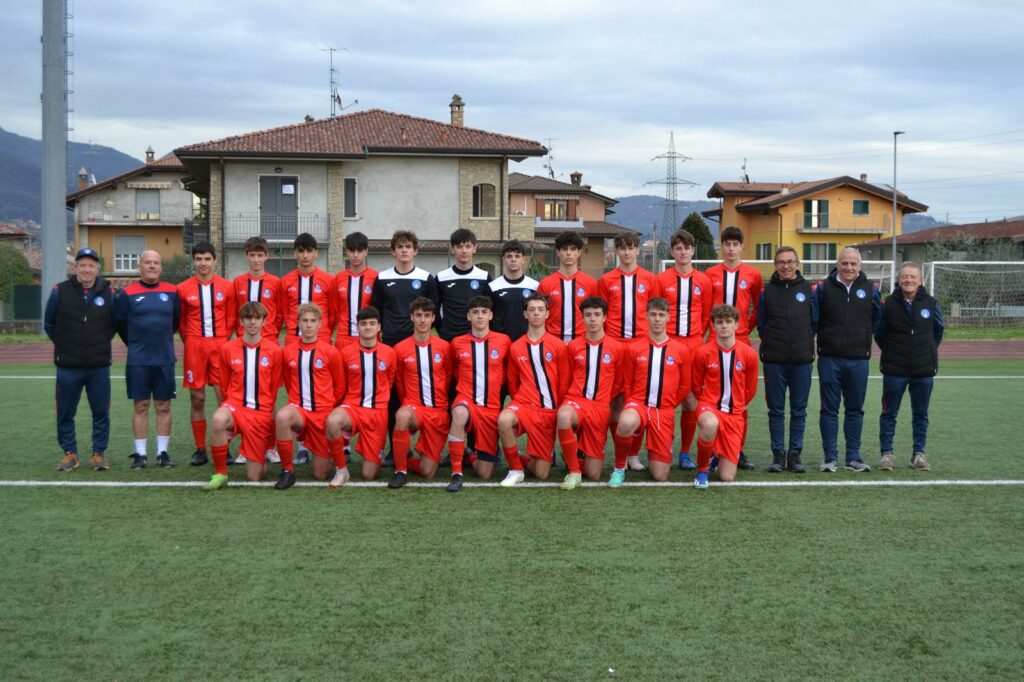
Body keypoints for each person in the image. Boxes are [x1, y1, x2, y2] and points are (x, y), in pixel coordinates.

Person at [370, 230, 439, 463]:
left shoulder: (426, 278)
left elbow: (432, 310)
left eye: (408, 246)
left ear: (415, 250)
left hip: (418, 345)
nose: (404, 250)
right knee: (392, 398)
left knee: (423, 394)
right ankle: (396, 448)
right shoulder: (382, 278)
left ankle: (427, 445)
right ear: (392, 251)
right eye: (400, 247)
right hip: (390, 345)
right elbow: (376, 311)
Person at [45, 247, 117, 472]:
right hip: (68, 365)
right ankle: (70, 454)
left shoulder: (109, 293)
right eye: (82, 265)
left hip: (98, 365)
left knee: (101, 412)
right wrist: (65, 344)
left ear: (98, 268)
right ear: (75, 268)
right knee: (66, 412)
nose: (87, 269)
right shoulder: (60, 291)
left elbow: (113, 325)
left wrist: (99, 341)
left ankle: (98, 454)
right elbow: (49, 324)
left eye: (91, 265)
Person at [815, 247, 882, 473]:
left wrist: (860, 340)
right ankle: (830, 457)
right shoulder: (823, 288)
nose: (849, 267)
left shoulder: (871, 289)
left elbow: (876, 321)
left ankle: (853, 456)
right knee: (829, 410)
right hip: (829, 358)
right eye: (845, 263)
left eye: (853, 263)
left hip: (858, 360)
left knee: (855, 409)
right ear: (838, 264)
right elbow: (815, 320)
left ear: (860, 265)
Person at [610, 298, 691, 485]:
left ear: (668, 317)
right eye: (653, 314)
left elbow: (685, 386)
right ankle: (619, 468)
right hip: (638, 404)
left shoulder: (681, 350)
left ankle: (653, 447)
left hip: (663, 411)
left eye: (661, 315)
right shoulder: (634, 348)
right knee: (626, 420)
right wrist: (632, 404)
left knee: (660, 476)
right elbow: (628, 382)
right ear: (646, 316)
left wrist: (669, 404)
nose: (657, 319)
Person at [202, 302, 282, 490]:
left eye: (257, 318)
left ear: (264, 321)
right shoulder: (227, 349)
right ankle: (221, 473)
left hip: (260, 413)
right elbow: (224, 382)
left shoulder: (274, 351)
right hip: (236, 406)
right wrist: (232, 403)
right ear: (241, 321)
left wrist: (263, 410)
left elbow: (273, 388)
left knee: (254, 476)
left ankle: (257, 451)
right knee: (218, 419)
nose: (252, 322)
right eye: (248, 318)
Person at [600, 230, 660, 471]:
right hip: (614, 346)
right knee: (613, 401)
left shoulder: (650, 279)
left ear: (638, 250)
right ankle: (618, 453)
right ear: (617, 251)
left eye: (631, 248)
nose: (626, 252)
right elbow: (602, 314)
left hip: (640, 346)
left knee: (638, 399)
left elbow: (655, 313)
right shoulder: (606, 280)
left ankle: (633, 454)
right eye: (622, 248)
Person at [875, 262, 944, 472]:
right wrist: (894, 351)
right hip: (894, 369)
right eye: (905, 277)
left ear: (920, 280)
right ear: (898, 280)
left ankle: (918, 454)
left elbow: (937, 332)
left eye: (913, 277)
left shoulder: (932, 303)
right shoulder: (887, 304)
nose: (909, 280)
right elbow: (879, 333)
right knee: (889, 413)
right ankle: (887, 454)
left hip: (923, 370)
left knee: (920, 414)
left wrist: (926, 351)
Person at [115, 250, 180, 469]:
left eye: (156, 262)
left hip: (164, 358)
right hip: (139, 359)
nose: (152, 266)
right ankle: (140, 454)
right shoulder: (127, 293)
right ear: (139, 266)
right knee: (141, 405)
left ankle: (162, 453)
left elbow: (175, 322)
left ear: (161, 267)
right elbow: (120, 324)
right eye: (147, 263)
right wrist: (135, 343)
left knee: (163, 406)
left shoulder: (172, 292)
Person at [497, 293, 570, 486]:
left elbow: (564, 382)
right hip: (524, 405)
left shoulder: (558, 346)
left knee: (541, 473)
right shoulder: (516, 347)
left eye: (540, 310)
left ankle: (521, 457)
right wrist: (519, 403)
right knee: (504, 419)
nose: (536, 313)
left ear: (547, 314)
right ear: (525, 314)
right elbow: (513, 383)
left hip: (547, 412)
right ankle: (515, 469)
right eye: (531, 310)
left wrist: (557, 410)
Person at [756, 246, 818, 474]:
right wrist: (773, 343)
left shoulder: (809, 290)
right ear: (775, 265)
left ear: (797, 264)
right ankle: (777, 455)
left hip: (802, 360)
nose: (786, 266)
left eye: (790, 261)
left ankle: (794, 455)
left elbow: (815, 322)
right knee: (776, 410)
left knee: (799, 410)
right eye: (781, 262)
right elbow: (761, 324)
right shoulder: (767, 291)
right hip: (774, 360)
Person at [705, 225, 762, 471]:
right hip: (713, 341)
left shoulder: (753, 274)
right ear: (721, 247)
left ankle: (737, 449)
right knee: (713, 397)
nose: (730, 249)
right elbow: (705, 306)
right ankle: (713, 451)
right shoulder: (710, 273)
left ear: (741, 247)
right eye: (726, 244)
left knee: (740, 401)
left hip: (741, 341)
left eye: (734, 244)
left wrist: (746, 330)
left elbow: (759, 307)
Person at [556, 296, 628, 490]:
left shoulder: (617, 348)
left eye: (597, 315)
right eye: (588, 315)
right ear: (582, 318)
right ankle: (573, 472)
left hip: (600, 407)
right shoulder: (573, 346)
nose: (593, 319)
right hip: (576, 401)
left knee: (594, 474)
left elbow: (619, 381)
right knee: (563, 416)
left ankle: (573, 454)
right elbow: (566, 378)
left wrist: (605, 401)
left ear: (605, 317)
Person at [656, 229, 712, 471]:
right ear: (672, 252)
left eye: (687, 248)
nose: (683, 252)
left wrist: (699, 341)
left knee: (690, 401)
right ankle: (664, 445)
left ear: (692, 251)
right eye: (678, 248)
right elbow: (655, 312)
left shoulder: (704, 281)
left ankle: (685, 452)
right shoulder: (661, 280)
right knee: (666, 398)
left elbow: (707, 313)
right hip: (669, 344)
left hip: (694, 344)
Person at [177, 241, 237, 467]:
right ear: (193, 261)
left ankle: (225, 448)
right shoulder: (183, 288)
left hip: (220, 346)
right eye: (199, 259)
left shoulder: (226, 287)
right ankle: (200, 449)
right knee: (197, 398)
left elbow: (231, 318)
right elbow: (181, 322)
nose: (203, 263)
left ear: (215, 260)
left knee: (224, 398)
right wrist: (192, 342)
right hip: (195, 347)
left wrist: (223, 341)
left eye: (207, 259)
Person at [444, 295, 512, 492]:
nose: (479, 316)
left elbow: (508, 372)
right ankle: (456, 473)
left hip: (490, 407)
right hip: (466, 400)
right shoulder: (457, 343)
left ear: (491, 315)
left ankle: (469, 455)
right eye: (475, 312)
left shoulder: (504, 341)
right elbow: (453, 372)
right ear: (468, 316)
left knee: (485, 472)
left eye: (484, 312)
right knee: (458, 413)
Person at [276, 303, 346, 489]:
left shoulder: (330, 352)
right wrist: (296, 402)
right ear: (298, 323)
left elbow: (340, 387)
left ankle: (329, 454)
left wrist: (327, 407)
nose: (308, 325)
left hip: (322, 413)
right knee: (283, 416)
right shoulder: (288, 351)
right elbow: (289, 382)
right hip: (299, 410)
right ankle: (287, 470)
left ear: (320, 324)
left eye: (313, 321)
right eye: (305, 320)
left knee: (321, 474)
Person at [325, 307, 397, 486]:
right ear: (357, 327)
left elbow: (390, 381)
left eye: (372, 324)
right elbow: (341, 385)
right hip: (354, 408)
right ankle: (341, 471)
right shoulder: (346, 353)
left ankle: (372, 454)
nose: (368, 327)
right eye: (363, 324)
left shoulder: (389, 352)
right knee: (333, 420)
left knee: (369, 474)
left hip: (377, 413)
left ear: (379, 327)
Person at [691, 305, 760, 489]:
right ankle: (702, 471)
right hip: (709, 408)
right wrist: (707, 402)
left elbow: (751, 389)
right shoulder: (703, 353)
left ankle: (716, 455)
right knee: (711, 424)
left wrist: (737, 405)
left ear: (736, 325)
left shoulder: (749, 354)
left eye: (728, 322)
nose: (724, 326)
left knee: (727, 477)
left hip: (734, 415)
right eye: (719, 322)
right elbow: (696, 385)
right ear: (713, 326)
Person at [389, 297, 453, 487]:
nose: (423, 320)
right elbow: (399, 382)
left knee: (427, 471)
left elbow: (448, 377)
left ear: (434, 318)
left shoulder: (444, 347)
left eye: (427, 315)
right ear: (412, 318)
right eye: (418, 315)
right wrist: (409, 403)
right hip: (414, 407)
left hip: (438, 411)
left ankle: (406, 460)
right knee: (402, 415)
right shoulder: (400, 349)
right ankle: (400, 471)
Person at [537, 231, 599, 343]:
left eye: (573, 249)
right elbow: (540, 315)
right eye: (565, 249)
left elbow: (597, 314)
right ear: (558, 252)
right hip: (553, 341)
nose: (568, 253)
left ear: (579, 252)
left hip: (582, 341)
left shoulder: (591, 283)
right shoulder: (546, 284)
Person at [436, 228, 492, 343]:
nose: (464, 250)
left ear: (474, 249)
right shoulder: (441, 278)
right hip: (449, 337)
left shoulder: (484, 277)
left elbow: (490, 309)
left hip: (476, 337)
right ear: (452, 249)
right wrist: (442, 328)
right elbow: (434, 308)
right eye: (459, 247)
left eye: (467, 246)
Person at [281, 232, 334, 346]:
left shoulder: (328, 280)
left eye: (309, 251)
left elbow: (332, 314)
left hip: (321, 338)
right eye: (301, 251)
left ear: (316, 253)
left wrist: (323, 329)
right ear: (295, 254)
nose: (305, 255)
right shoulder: (286, 281)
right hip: (294, 338)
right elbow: (285, 312)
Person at [332, 231, 378, 349]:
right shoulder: (339, 278)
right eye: (352, 251)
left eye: (360, 251)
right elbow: (336, 308)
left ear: (366, 251)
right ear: (347, 251)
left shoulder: (376, 277)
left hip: (369, 337)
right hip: (344, 337)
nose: (356, 255)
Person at [233, 236, 284, 341]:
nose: (256, 260)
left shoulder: (276, 282)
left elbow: (279, 314)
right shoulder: (238, 282)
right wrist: (240, 332)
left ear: (266, 256)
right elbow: (235, 312)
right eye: (252, 255)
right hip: (244, 337)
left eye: (260, 255)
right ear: (246, 255)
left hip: (268, 337)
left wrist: (272, 332)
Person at [488, 239, 540, 342]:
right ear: (503, 259)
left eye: (517, 256)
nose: (513, 259)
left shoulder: (534, 286)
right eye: (509, 256)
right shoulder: (492, 287)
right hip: (500, 343)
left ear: (523, 259)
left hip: (526, 342)